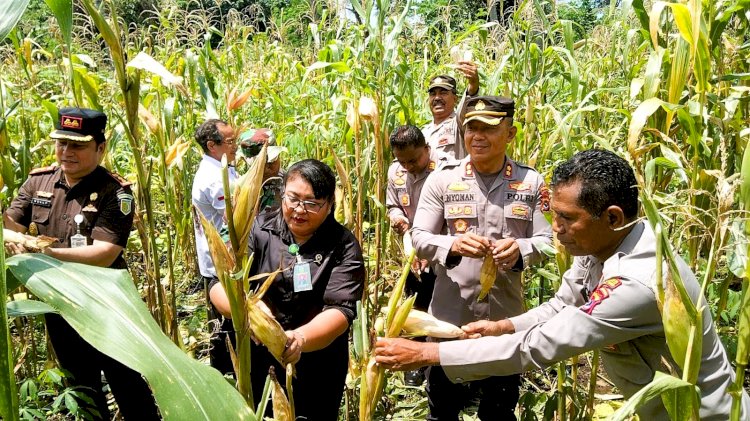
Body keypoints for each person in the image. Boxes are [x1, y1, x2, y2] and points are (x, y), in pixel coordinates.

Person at [374, 149, 750, 420]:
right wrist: (501, 326)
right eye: (554, 215)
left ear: (612, 215)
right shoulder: (603, 243)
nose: (554, 229)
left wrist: (427, 354)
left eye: (567, 219)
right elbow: (562, 306)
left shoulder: (635, 282)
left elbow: (538, 347)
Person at [3, 107, 159, 420]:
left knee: (129, 384)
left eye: (77, 145)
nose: (66, 152)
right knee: (81, 390)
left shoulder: (115, 192)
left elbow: (105, 252)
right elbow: (11, 225)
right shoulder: (38, 183)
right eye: (61, 144)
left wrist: (43, 254)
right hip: (60, 305)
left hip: (108, 306)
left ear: (100, 148)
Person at [408, 96, 553, 420]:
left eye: (488, 128)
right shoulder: (442, 179)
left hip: (505, 324)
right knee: (443, 412)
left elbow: (550, 242)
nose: (478, 136)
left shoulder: (531, 183)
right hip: (448, 322)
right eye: (471, 128)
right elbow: (418, 238)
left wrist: (522, 249)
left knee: (499, 412)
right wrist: (453, 245)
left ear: (511, 133)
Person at [209, 159, 365, 419]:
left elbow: (341, 311)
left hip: (317, 361)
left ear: (329, 205)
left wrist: (299, 339)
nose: (299, 210)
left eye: (312, 203)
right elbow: (219, 285)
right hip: (256, 356)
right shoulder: (258, 228)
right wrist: (247, 313)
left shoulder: (344, 245)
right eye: (292, 198)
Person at [386, 124, 446, 386]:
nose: (408, 166)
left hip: (443, 252)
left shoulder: (446, 170)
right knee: (415, 305)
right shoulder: (396, 172)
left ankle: (445, 363)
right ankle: (415, 363)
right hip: (413, 252)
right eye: (402, 161)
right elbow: (393, 205)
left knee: (443, 309)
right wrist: (397, 218)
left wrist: (430, 248)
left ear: (426, 148)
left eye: (414, 159)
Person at [190, 118, 239, 374]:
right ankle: (224, 378)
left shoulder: (223, 167)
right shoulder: (214, 178)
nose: (235, 146)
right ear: (212, 145)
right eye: (230, 142)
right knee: (225, 328)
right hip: (222, 267)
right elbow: (233, 223)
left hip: (224, 264)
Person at [422, 61, 479, 160]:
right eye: (433, 94)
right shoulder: (423, 132)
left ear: (455, 99)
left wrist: (473, 85)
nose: (437, 98)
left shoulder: (459, 124)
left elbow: (466, 106)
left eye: (443, 93)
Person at [238, 127, 287, 212]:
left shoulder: (289, 184)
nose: (267, 169)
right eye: (260, 165)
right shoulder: (239, 189)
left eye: (271, 162)